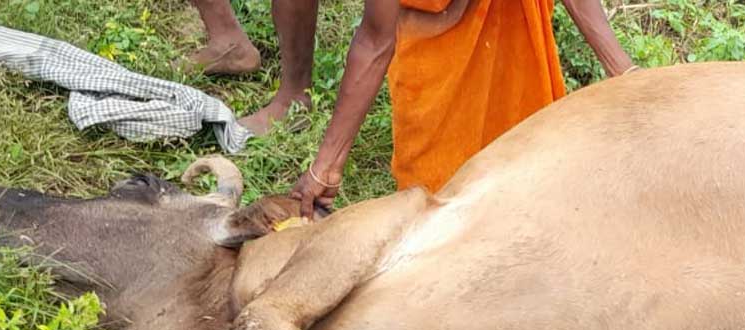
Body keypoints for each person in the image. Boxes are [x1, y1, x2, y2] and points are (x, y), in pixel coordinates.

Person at [188, 0, 635, 218]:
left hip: (490, 38)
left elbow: (376, 41)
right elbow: (378, 37)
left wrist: (625, 75)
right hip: (443, 49)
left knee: (485, 202)